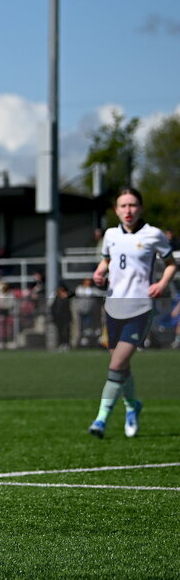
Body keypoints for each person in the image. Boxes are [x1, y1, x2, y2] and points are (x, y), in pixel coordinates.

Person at [87, 188, 175, 439]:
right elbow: (106, 261)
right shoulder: (111, 235)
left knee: (115, 365)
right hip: (114, 307)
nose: (128, 210)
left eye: (133, 205)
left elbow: (171, 264)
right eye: (123, 206)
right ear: (116, 210)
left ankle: (101, 419)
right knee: (121, 367)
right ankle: (132, 406)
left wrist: (162, 283)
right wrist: (99, 272)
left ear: (141, 208)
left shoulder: (153, 235)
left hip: (140, 308)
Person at [51, 284, 72, 351]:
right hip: (58, 318)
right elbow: (53, 308)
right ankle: (61, 344)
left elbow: (73, 293)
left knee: (65, 331)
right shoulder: (56, 298)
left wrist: (66, 295)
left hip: (66, 318)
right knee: (60, 332)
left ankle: (66, 344)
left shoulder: (67, 298)